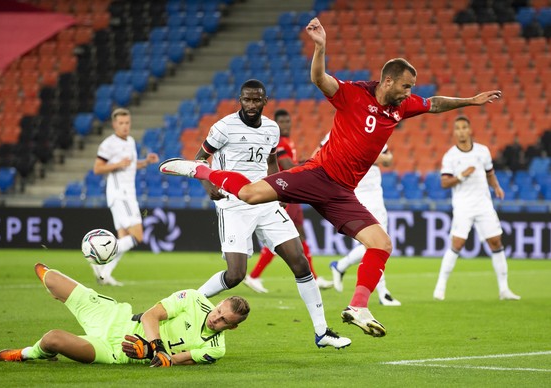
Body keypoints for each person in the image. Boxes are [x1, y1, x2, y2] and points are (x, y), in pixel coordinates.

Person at [159, 18, 502, 338]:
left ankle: (358, 306)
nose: (409, 92)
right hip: (317, 175)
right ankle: (198, 169)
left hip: (342, 193)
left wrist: (470, 101)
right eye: (405, 86)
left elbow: (434, 103)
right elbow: (320, 80)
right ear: (388, 80)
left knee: (382, 244)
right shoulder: (353, 94)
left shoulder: (401, 106)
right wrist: (321, 47)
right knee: (248, 194)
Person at [178, 79, 349, 349]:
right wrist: (208, 185)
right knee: (235, 276)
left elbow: (271, 162)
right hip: (233, 204)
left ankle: (322, 331)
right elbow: (199, 160)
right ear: (240, 100)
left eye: (256, 100)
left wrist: (277, 192)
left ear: (265, 101)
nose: (251, 104)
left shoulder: (271, 129)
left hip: (266, 203)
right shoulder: (223, 127)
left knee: (300, 263)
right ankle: (184, 304)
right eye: (246, 99)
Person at [0, 263, 250, 366]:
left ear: (232, 327)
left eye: (224, 320)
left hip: (116, 350)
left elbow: (174, 360)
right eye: (219, 311)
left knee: (52, 339)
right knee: (50, 278)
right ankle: (67, 295)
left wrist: (151, 353)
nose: (216, 318)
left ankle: (31, 353)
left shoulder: (216, 349)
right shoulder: (194, 298)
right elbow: (151, 316)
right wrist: (157, 346)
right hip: (114, 317)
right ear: (218, 304)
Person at [243, 109, 333, 293]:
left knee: (300, 234)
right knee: (284, 236)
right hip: (285, 192)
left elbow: (292, 164)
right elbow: (287, 166)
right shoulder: (279, 143)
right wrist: (311, 163)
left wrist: (303, 163)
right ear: (276, 124)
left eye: (287, 121)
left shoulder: (289, 141)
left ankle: (314, 277)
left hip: (294, 193)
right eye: (282, 122)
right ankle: (253, 275)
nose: (286, 124)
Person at [433, 115, 520, 301]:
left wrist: (496, 186)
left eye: (464, 127)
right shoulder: (451, 156)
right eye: (457, 128)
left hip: (483, 203)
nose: (461, 131)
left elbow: (490, 173)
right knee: (457, 244)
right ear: (454, 132)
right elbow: (444, 182)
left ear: (470, 130)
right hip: (463, 205)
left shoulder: (483, 151)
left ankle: (504, 289)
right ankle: (440, 288)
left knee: (496, 241)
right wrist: (462, 176)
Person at [325, 137, 401, 306]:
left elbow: (388, 160)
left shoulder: (376, 130)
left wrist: (366, 156)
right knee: (377, 244)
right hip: (357, 195)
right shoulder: (337, 133)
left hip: (376, 195)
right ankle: (382, 293)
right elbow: (320, 155)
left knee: (379, 245)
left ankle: (341, 266)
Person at [92, 108, 159, 286]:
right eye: (121, 123)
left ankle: (105, 274)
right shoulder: (108, 144)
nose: (124, 126)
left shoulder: (130, 141)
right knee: (137, 236)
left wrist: (145, 162)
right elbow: (98, 168)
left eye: (127, 123)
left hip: (125, 194)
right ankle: (97, 258)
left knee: (122, 237)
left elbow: (129, 166)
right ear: (114, 125)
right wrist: (117, 164)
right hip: (121, 194)